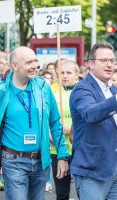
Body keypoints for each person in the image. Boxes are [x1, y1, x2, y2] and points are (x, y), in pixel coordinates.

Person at [0, 46, 69, 200]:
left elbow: (55, 122)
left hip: (41, 160)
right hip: (13, 161)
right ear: (15, 66)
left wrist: (62, 156)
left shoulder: (43, 87)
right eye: (29, 62)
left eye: (36, 61)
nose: (35, 66)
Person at [69, 43, 117, 199]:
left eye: (112, 60)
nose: (109, 64)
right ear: (91, 64)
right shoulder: (82, 89)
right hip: (93, 169)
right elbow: (90, 113)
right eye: (104, 60)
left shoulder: (113, 89)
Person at [51, 60, 79, 200]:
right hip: (57, 150)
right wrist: (54, 133)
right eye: (62, 72)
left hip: (79, 149)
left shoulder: (82, 94)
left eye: (69, 73)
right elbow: (47, 123)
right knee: (62, 194)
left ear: (77, 74)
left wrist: (72, 129)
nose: (65, 76)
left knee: (84, 191)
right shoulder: (53, 95)